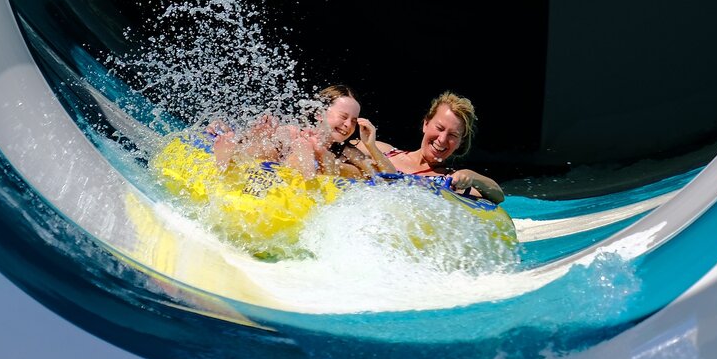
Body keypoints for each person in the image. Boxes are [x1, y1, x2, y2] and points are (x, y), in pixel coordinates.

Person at [209, 85, 395, 180]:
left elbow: (389, 178)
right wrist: (252, 133)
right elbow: (258, 142)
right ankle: (229, 156)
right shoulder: (295, 131)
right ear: (320, 113)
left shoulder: (347, 150)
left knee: (334, 163)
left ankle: (310, 161)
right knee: (270, 145)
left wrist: (371, 145)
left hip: (302, 175)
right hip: (282, 166)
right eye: (343, 117)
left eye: (354, 121)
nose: (348, 125)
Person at [359, 90, 505, 204]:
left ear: (460, 142)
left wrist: (472, 176)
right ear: (426, 124)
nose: (442, 140)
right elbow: (340, 147)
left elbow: (498, 196)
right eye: (440, 128)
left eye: (453, 135)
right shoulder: (385, 151)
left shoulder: (451, 181)